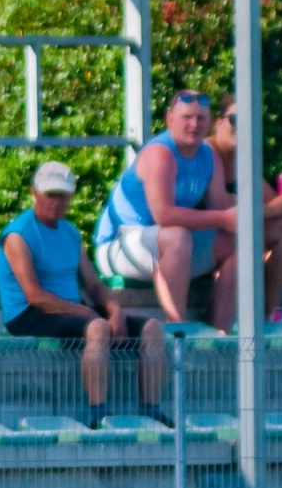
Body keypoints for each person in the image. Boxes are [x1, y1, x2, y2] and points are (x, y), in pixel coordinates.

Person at [0, 162, 166, 428]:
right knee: (97, 327)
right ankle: (98, 414)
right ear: (34, 193)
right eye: (50, 194)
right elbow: (35, 296)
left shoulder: (71, 232)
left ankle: (151, 410)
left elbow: (94, 285)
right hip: (28, 314)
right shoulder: (18, 235)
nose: (57, 201)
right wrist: (89, 313)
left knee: (152, 328)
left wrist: (115, 311)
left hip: (70, 311)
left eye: (62, 194)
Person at [94, 90, 240, 331]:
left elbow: (220, 206)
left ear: (210, 122)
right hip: (117, 246)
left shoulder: (209, 155)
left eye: (201, 118)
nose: (194, 124)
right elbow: (165, 215)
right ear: (169, 118)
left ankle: (218, 329)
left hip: (166, 244)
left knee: (238, 243)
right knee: (177, 235)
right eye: (187, 117)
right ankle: (178, 326)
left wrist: (268, 212)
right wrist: (225, 218)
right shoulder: (160, 153)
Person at [206, 95, 282, 322]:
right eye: (235, 120)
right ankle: (215, 324)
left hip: (222, 239)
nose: (242, 128)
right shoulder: (207, 152)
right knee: (245, 244)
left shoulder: (241, 161)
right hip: (195, 237)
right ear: (218, 123)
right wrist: (273, 210)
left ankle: (266, 312)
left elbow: (276, 206)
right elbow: (221, 205)